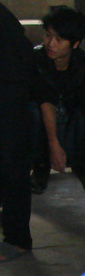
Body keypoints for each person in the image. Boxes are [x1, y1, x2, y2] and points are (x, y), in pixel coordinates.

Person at [30, 5, 85, 195]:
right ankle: (40, 167)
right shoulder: (36, 59)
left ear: (75, 43)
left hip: (71, 119)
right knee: (32, 112)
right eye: (48, 36)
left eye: (59, 39)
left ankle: (82, 166)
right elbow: (45, 101)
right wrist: (53, 144)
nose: (51, 44)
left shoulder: (84, 62)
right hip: (44, 119)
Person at [0, 2, 35, 259]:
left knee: (12, 166)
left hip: (10, 95)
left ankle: (17, 239)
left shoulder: (4, 25)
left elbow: (18, 61)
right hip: (11, 91)